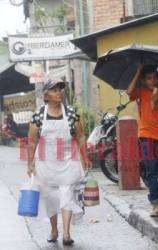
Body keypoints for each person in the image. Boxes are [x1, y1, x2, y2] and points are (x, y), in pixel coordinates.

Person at [27, 78, 91, 246]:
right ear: (46, 94)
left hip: (68, 162)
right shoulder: (39, 114)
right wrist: (29, 164)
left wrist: (85, 156)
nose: (59, 92)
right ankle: (54, 229)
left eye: (61, 89)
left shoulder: (71, 113)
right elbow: (32, 141)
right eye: (55, 90)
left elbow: (81, 136)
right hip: (45, 164)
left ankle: (67, 234)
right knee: (50, 199)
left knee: (66, 195)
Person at [127, 64, 158, 217]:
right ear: (144, 80)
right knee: (151, 168)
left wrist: (157, 101)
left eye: (154, 78)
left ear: (157, 79)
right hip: (146, 135)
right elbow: (128, 92)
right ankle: (155, 201)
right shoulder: (140, 93)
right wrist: (138, 71)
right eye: (148, 78)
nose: (152, 81)